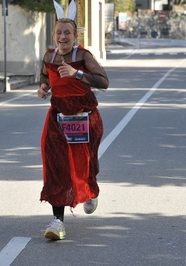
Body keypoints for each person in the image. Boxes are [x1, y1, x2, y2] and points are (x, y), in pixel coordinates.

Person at [37, 10, 109, 240]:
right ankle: (58, 222)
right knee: (57, 168)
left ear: (75, 36)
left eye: (67, 32)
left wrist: (77, 74)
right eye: (59, 32)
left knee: (85, 165)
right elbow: (46, 76)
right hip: (58, 120)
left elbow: (104, 82)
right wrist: (44, 88)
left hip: (85, 118)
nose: (63, 36)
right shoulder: (49, 57)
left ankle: (89, 190)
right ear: (54, 35)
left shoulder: (83, 56)